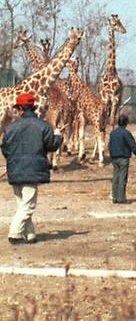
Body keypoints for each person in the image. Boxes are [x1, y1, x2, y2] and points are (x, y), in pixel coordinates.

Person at [1, 92, 62, 244]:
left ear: (21, 109)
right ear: (33, 108)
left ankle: (30, 234)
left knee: (22, 204)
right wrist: (58, 136)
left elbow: (5, 149)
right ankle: (14, 234)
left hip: (15, 171)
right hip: (32, 171)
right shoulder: (43, 126)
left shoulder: (10, 128)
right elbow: (52, 146)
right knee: (28, 206)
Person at [108, 114, 136, 204]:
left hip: (114, 158)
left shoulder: (113, 133)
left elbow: (109, 145)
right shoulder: (126, 133)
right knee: (122, 178)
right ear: (126, 123)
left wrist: (111, 155)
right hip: (123, 158)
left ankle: (114, 197)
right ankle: (121, 198)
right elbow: (132, 145)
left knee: (115, 177)